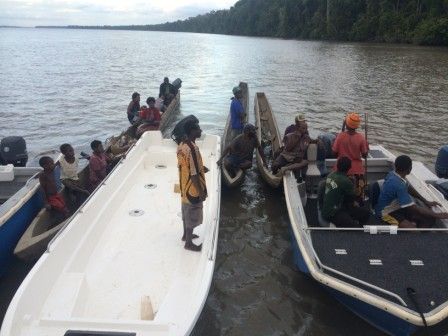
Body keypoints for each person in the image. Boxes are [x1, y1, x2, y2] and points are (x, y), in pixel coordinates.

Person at [375, 155, 448, 228]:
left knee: (429, 219)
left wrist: (425, 201)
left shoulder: (394, 174)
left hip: (397, 208)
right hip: (385, 213)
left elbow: (409, 188)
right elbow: (414, 208)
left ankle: (414, 224)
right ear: (409, 169)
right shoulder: (399, 185)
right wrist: (438, 215)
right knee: (413, 229)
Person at [177, 120, 207, 251]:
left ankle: (185, 235)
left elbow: (186, 165)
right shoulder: (193, 148)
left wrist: (201, 167)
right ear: (192, 131)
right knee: (193, 212)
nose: (200, 131)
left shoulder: (181, 146)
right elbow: (194, 174)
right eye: (198, 129)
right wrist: (201, 192)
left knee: (185, 210)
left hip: (184, 185)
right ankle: (188, 243)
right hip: (193, 187)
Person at [322, 156, 370, 227]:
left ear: (337, 165)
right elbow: (352, 199)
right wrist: (353, 183)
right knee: (358, 222)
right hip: (334, 212)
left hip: (327, 209)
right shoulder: (346, 181)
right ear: (349, 167)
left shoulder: (330, 175)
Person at [332, 112, 369, 199]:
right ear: (357, 126)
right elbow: (364, 155)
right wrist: (367, 148)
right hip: (357, 172)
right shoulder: (361, 138)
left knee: (339, 196)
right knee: (358, 197)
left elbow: (334, 153)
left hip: (340, 170)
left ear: (346, 125)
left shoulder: (340, 136)